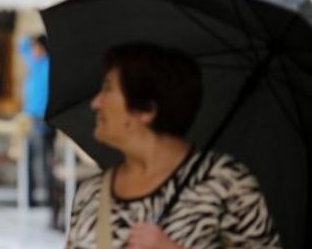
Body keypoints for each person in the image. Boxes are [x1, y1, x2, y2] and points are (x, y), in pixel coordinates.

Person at [66, 43, 281, 249]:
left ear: (146, 110)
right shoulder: (91, 193)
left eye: (108, 89)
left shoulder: (225, 182)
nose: (96, 103)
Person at [20, 34, 56, 208]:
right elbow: (22, 44)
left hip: (44, 118)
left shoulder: (49, 65)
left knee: (45, 160)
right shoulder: (34, 63)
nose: (33, 50)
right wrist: (34, 37)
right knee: (29, 158)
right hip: (30, 117)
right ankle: (30, 197)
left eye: (36, 47)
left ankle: (50, 197)